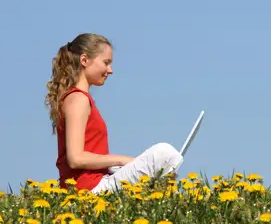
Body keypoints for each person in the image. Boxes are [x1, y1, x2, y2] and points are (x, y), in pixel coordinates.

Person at [45, 33, 183, 194]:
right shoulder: (78, 99)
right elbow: (76, 158)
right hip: (88, 189)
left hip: (99, 181)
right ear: (84, 60)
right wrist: (122, 160)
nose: (110, 70)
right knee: (164, 152)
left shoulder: (79, 98)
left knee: (163, 161)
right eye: (106, 63)